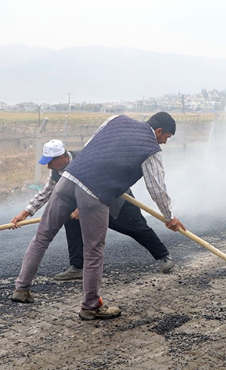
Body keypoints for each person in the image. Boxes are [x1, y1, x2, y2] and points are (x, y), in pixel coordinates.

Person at [10, 112, 185, 321]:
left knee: (42, 237)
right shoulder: (151, 149)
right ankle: (90, 306)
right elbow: (156, 187)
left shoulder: (116, 119)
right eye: (166, 137)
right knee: (93, 250)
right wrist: (169, 216)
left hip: (68, 179)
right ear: (158, 131)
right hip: (95, 192)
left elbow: (92, 147)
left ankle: (21, 289)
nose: (164, 142)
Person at [10, 140, 174, 281]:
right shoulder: (57, 171)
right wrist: (25, 213)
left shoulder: (85, 159)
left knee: (137, 228)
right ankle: (78, 266)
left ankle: (164, 256)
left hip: (115, 200)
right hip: (85, 204)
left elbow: (101, 186)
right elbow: (46, 192)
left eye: (50, 162)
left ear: (62, 157)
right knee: (71, 219)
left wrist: (81, 209)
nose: (48, 166)